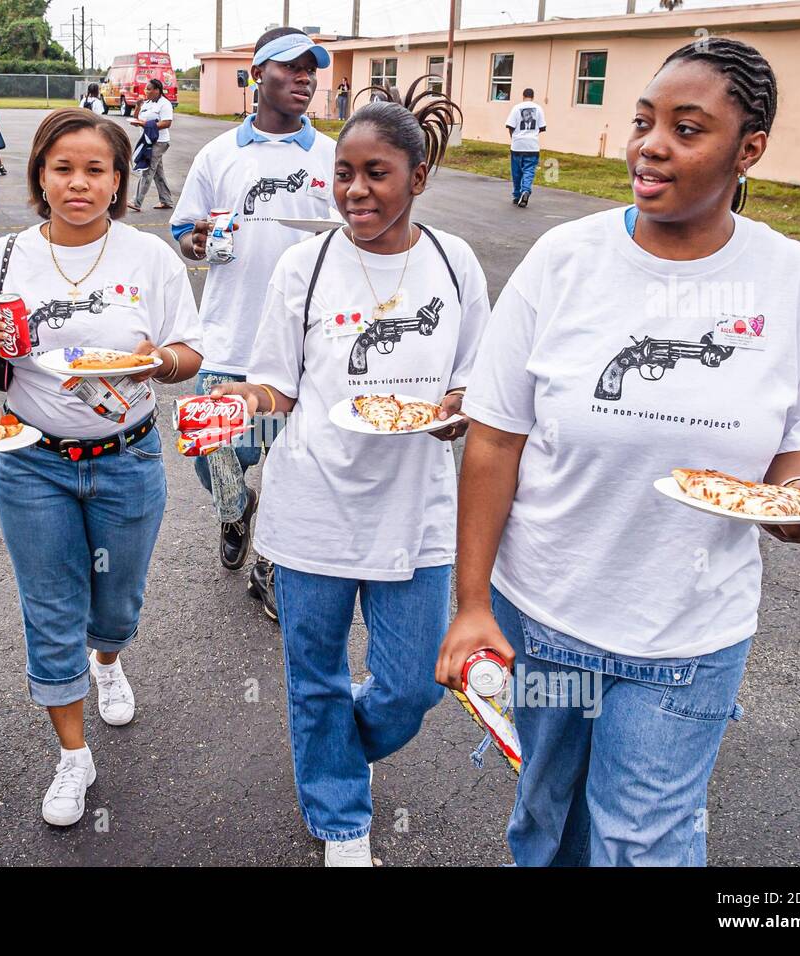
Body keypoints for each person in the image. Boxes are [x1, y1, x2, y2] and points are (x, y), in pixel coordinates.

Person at [435, 39, 800, 867]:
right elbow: (495, 439)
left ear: (749, 150)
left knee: (644, 840)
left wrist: (797, 495)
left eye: (687, 129)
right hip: (545, 614)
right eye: (643, 121)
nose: (649, 145)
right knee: (548, 822)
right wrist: (472, 602)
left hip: (691, 632)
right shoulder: (565, 260)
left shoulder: (793, 279)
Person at [212, 82, 487, 867]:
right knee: (316, 676)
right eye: (342, 172)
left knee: (413, 688)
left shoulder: (453, 262)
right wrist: (241, 401)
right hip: (313, 504)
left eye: (376, 173)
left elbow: (475, 377)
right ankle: (340, 818)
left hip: (417, 508)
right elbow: (278, 385)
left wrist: (455, 408)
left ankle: (336, 744)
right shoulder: (307, 264)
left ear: (418, 179)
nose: (354, 190)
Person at [0, 108, 202, 827]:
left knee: (116, 604)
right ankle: (73, 757)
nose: (77, 182)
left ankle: (108, 661)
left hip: (128, 459)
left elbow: (189, 354)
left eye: (94, 169)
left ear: (117, 180)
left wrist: (155, 361)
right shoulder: (5, 257)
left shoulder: (149, 258)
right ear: (40, 173)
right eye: (62, 167)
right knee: (49, 611)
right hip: (32, 462)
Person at [169, 27, 336, 618]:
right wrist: (198, 242)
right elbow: (185, 232)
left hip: (305, 349)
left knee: (292, 468)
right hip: (227, 336)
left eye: (311, 70)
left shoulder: (332, 156)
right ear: (257, 75)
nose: (305, 79)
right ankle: (235, 509)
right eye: (290, 68)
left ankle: (268, 565)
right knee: (208, 456)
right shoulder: (220, 155)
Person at [126, 79, 174, 211]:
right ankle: (166, 200)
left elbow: (166, 123)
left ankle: (136, 201)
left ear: (157, 90)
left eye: (149, 89)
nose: (146, 91)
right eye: (146, 89)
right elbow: (138, 118)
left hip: (159, 141)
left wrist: (146, 124)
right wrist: (137, 107)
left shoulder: (164, 104)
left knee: (147, 170)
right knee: (158, 172)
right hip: (147, 139)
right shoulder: (147, 103)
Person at [505, 87, 546, 207]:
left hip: (517, 145)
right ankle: (526, 191)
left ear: (523, 96)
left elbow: (510, 126)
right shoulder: (539, 108)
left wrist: (514, 139)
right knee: (529, 170)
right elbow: (542, 127)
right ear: (533, 97)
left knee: (516, 172)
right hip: (532, 146)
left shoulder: (516, 108)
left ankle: (517, 194)